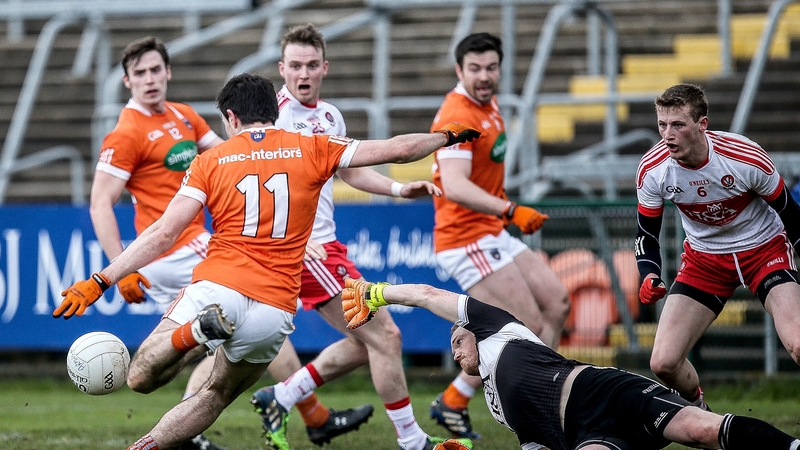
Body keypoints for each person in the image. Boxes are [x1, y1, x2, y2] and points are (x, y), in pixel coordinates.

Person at [53, 73, 479, 450]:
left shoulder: (210, 160)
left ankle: (196, 332)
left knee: (140, 377)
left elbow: (164, 232)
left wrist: (101, 280)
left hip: (220, 285)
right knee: (216, 395)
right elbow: (398, 149)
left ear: (231, 117)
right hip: (274, 309)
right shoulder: (314, 146)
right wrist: (445, 137)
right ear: (276, 111)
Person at [250, 23, 465, 450]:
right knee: (386, 337)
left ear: (325, 67)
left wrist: (398, 188)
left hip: (325, 246)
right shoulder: (273, 119)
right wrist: (294, 239)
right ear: (282, 68)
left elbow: (349, 172)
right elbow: (254, 183)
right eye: (295, 65)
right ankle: (412, 441)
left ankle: (282, 396)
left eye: (312, 65)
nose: (304, 73)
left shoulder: (330, 116)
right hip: (306, 250)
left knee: (365, 342)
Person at [341, 278, 800, 450]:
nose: (456, 353)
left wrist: (378, 293)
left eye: (458, 341)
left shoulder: (499, 329)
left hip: (603, 392)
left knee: (702, 432)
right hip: (583, 435)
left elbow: (427, 295)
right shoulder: (498, 408)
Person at [428, 32, 570, 438]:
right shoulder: (457, 114)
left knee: (557, 304)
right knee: (525, 324)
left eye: (491, 67)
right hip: (465, 238)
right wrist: (510, 209)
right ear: (459, 70)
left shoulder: (488, 104)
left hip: (490, 231)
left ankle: (456, 399)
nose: (484, 76)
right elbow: (455, 185)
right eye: (474, 68)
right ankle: (538, 403)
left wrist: (505, 212)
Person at [90, 36, 227, 450]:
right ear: (127, 81)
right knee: (257, 314)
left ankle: (186, 429)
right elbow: (100, 204)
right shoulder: (126, 133)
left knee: (220, 340)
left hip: (182, 248)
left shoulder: (184, 115)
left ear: (168, 71)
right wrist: (120, 269)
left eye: (155, 70)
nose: (149, 79)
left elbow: (229, 157)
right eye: (140, 73)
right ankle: (308, 409)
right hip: (177, 248)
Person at [635, 83, 800, 409]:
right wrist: (648, 274)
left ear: (702, 124)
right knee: (663, 363)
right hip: (705, 262)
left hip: (764, 251)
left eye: (678, 125)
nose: (667, 135)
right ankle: (702, 413)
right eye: (662, 125)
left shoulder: (744, 157)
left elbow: (791, 216)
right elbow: (646, 235)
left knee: (798, 344)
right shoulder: (653, 170)